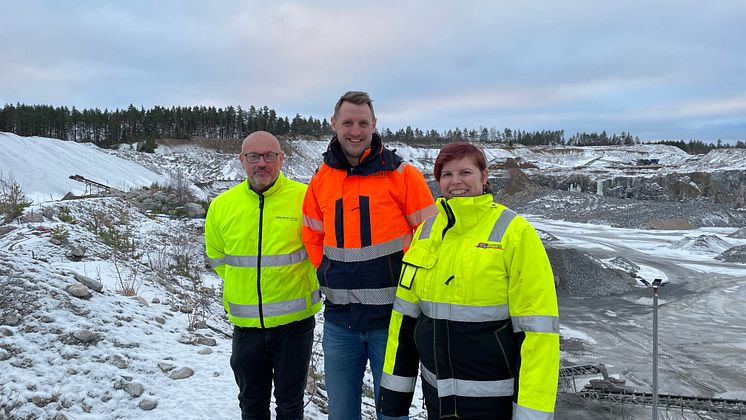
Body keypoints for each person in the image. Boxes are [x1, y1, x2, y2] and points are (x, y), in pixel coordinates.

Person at [378, 141, 560, 420]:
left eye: (465, 172)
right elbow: (405, 318)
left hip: (492, 404)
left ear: (484, 176)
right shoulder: (427, 232)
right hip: (437, 400)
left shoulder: (515, 233)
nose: (456, 182)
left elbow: (538, 334)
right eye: (447, 174)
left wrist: (531, 414)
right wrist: (395, 396)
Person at [302, 91, 437, 419]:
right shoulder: (321, 180)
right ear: (334, 124)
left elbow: (430, 239)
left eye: (363, 122)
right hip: (339, 322)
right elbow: (312, 234)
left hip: (391, 323)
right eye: (347, 122)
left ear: (374, 125)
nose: (355, 130)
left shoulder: (403, 176)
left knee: (392, 413)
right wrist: (327, 274)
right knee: (342, 413)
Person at [205, 131, 322, 420]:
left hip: (295, 325)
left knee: (290, 404)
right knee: (252, 404)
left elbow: (322, 250)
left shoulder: (305, 198)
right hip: (246, 328)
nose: (262, 163)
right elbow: (218, 259)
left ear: (281, 158)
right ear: (241, 160)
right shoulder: (222, 205)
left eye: (269, 156)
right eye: (254, 156)